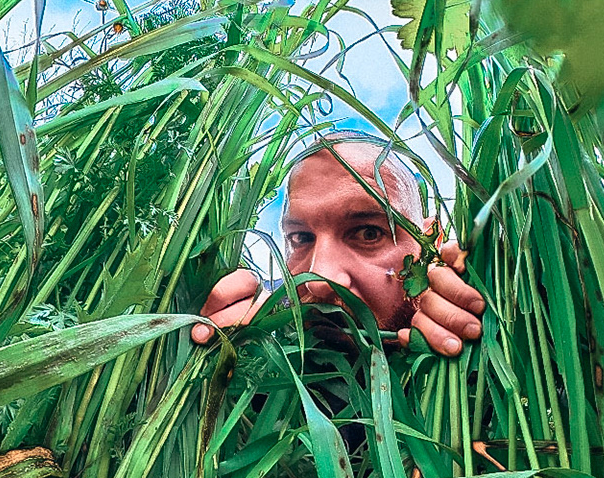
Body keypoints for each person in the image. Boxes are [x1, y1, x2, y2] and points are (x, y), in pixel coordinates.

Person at [191, 135, 486, 357]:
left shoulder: (478, 355)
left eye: (369, 233)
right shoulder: (267, 320)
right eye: (301, 238)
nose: (319, 282)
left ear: (431, 241)